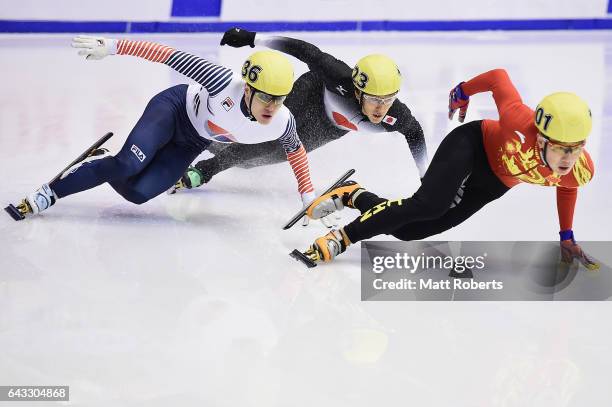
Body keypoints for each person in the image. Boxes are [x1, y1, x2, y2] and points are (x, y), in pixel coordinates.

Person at [300, 68, 599, 270]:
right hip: (472, 145)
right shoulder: (518, 121)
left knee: (412, 231)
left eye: (576, 147)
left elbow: (568, 187)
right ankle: (342, 238)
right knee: (429, 204)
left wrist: (567, 236)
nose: (567, 158)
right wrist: (463, 92)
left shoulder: (579, 169)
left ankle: (355, 196)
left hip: (494, 183)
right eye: (560, 147)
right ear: (542, 138)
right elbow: (499, 77)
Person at [9, 35, 320, 219]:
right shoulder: (222, 82)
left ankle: (101, 164)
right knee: (128, 162)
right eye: (265, 97)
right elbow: (168, 55)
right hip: (173, 111)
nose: (272, 106)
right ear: (248, 88)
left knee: (138, 193)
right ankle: (49, 193)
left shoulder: (282, 121)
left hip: (192, 142)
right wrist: (113, 46)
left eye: (280, 99)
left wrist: (307, 196)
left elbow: (296, 149)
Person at [171, 28, 428, 199]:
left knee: (254, 160)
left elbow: (415, 133)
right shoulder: (337, 74)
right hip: (311, 92)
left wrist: (425, 176)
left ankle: (205, 141)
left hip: (330, 127)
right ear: (358, 91)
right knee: (269, 138)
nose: (381, 108)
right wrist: (253, 38)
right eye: (374, 100)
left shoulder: (397, 115)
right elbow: (306, 51)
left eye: (388, 100)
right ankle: (204, 170)